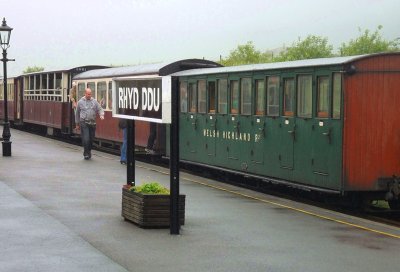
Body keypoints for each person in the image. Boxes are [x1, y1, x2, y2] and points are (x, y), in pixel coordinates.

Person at [75, 88, 105, 160]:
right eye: (88, 94)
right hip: (84, 122)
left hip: (92, 123)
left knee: (91, 139)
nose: (89, 95)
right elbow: (77, 113)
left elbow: (100, 109)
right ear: (85, 94)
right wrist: (77, 123)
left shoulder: (94, 102)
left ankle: (89, 151)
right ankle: (86, 153)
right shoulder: (80, 102)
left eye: (90, 94)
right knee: (86, 139)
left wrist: (101, 114)